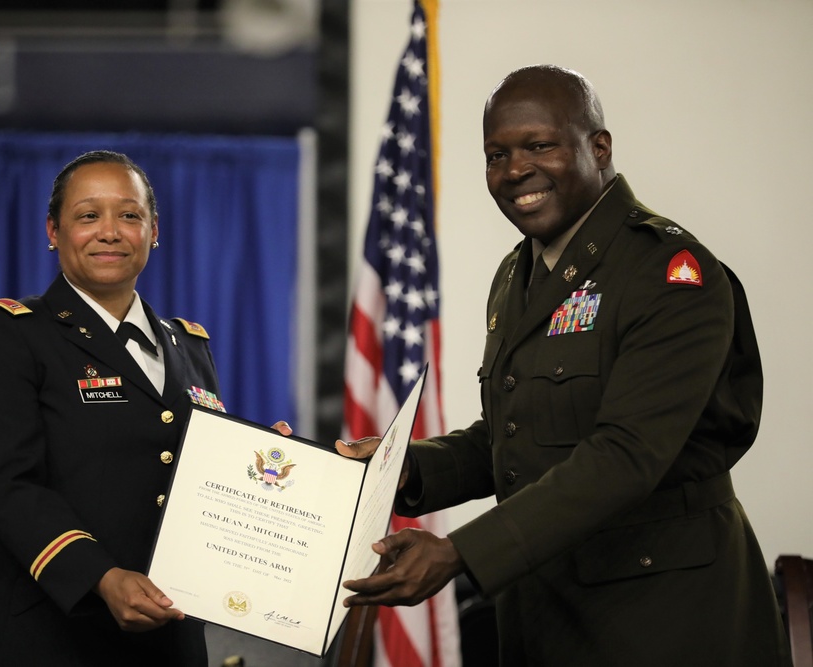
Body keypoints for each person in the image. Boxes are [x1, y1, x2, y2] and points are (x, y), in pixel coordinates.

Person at [337, 65, 791, 666]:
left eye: (538, 145)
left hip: (662, 618)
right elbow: (518, 435)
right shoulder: (518, 273)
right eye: (496, 155)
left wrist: (460, 554)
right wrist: (404, 468)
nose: (514, 170)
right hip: (548, 610)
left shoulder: (669, 272)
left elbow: (625, 456)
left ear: (598, 147)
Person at [0, 150, 291, 665]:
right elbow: (10, 485)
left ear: (153, 231)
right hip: (41, 632)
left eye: (129, 215)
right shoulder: (8, 332)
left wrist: (261, 470)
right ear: (53, 232)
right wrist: (101, 577)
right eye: (88, 215)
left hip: (164, 634)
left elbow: (191, 480)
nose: (110, 231)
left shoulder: (189, 345)